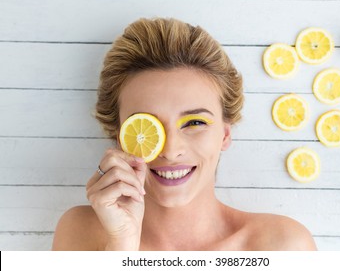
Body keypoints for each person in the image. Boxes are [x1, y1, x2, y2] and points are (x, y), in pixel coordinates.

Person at [52, 17, 317, 251]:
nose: (170, 150)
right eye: (147, 126)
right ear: (120, 136)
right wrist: (121, 245)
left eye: (194, 123)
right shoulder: (81, 233)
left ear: (224, 134)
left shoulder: (283, 246)